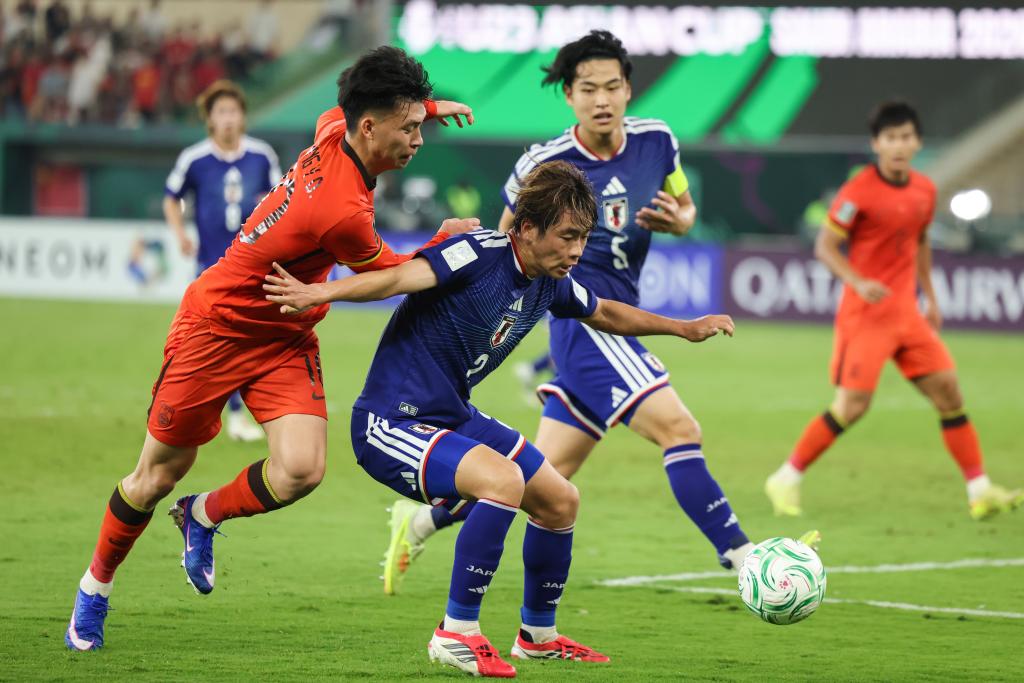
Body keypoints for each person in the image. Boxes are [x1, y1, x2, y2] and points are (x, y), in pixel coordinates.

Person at [64, 45, 475, 652]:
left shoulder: (335, 128)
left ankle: (202, 515)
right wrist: (441, 241)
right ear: (370, 127)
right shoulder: (339, 210)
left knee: (301, 470)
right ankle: (93, 588)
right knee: (155, 476)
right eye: (410, 127)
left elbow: (339, 113)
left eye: (420, 124)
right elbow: (390, 275)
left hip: (283, 331)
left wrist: (430, 107)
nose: (419, 138)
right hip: (215, 329)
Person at [263, 160, 736, 676]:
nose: (578, 250)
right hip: (390, 423)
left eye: (584, 238)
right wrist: (320, 292)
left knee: (560, 501)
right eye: (568, 236)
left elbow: (604, 311)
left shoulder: (551, 280)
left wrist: (683, 328)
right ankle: (456, 632)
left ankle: (538, 636)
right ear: (527, 229)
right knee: (503, 481)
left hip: (451, 416)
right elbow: (399, 277)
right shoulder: (476, 253)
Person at [382, 30, 763, 597]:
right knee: (680, 428)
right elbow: (506, 243)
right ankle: (746, 559)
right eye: (588, 88)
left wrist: (680, 222)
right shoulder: (543, 163)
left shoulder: (658, 142)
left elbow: (685, 207)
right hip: (585, 321)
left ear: (629, 89)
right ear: (569, 95)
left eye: (612, 86)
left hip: (619, 312)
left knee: (542, 480)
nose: (601, 99)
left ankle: (418, 522)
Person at [764, 101, 1023, 520]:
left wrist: (930, 297)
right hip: (866, 316)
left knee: (949, 392)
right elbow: (825, 247)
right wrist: (857, 281)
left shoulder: (925, 191)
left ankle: (979, 491)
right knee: (852, 407)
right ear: (876, 144)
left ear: (917, 142)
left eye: (906, 137)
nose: (899, 146)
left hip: (907, 315)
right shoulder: (858, 192)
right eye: (890, 138)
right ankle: (786, 477)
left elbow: (920, 242)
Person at [163, 79, 280, 442]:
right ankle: (202, 412)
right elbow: (171, 197)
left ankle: (241, 415)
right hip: (211, 267)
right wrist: (180, 234)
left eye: (233, 111)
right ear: (210, 119)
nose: (228, 118)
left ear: (243, 117)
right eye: (221, 112)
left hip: (255, 266)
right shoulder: (194, 158)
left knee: (251, 340)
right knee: (211, 342)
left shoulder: (262, 155)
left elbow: (281, 200)